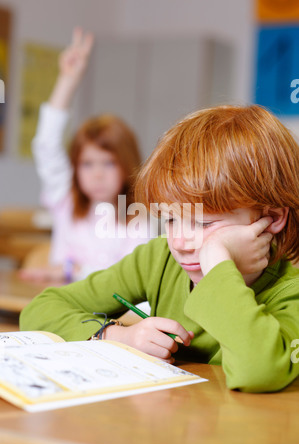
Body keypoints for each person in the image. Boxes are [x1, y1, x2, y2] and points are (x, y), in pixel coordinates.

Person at [20, 104, 299, 393]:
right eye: (170, 219)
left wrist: (218, 262)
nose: (178, 242)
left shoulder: (291, 292)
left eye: (204, 224)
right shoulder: (159, 258)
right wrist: (119, 337)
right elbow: (39, 310)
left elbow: (260, 370)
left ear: (273, 218)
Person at [19, 28, 153, 283]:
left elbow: (128, 279)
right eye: (87, 164)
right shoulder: (66, 201)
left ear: (128, 164)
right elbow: (46, 144)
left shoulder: (138, 216)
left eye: (109, 163)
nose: (97, 174)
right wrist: (67, 81)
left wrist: (72, 270)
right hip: (60, 305)